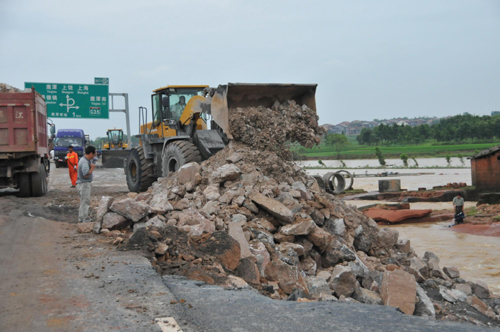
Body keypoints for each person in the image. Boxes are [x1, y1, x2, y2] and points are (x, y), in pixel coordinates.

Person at [77, 146, 96, 223]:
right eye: (94, 154)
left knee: (83, 202)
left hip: (81, 183)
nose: (94, 155)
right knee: (85, 202)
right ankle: (85, 220)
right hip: (84, 184)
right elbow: (85, 174)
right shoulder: (85, 162)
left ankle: (81, 218)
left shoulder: (83, 160)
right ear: (91, 153)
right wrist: (92, 168)